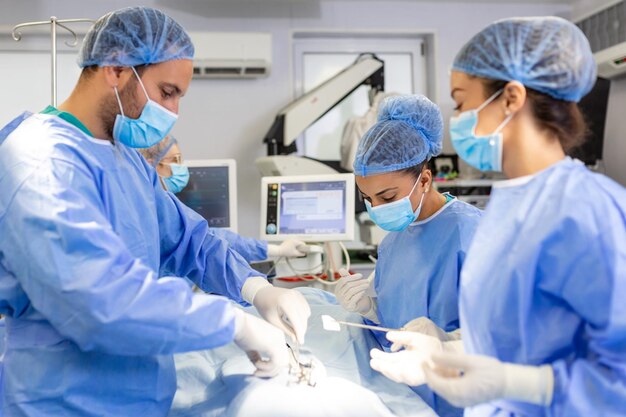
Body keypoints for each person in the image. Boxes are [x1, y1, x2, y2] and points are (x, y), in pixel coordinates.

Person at [0, 7, 312, 416]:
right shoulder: (39, 163)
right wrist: (233, 324)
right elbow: (99, 301)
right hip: (61, 402)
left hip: (138, 398)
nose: (173, 112)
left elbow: (190, 242)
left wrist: (257, 289)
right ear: (115, 69)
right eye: (167, 93)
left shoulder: (126, 159)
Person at [369, 16, 626, 417]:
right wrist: (447, 350)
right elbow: (513, 337)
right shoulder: (511, 207)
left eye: (461, 101)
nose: (457, 119)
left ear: (511, 97)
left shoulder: (586, 212)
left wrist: (516, 384)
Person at [335, 94, 482, 417]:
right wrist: (369, 308)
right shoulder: (393, 242)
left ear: (425, 180)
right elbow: (395, 317)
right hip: (405, 398)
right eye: (368, 198)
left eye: (388, 196)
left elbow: (506, 335)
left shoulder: (471, 234)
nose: (378, 209)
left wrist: (445, 342)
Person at [139, 135, 310, 262]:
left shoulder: (162, 206)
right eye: (176, 159)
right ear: (151, 164)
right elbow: (205, 240)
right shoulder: (149, 213)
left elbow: (210, 237)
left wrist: (275, 250)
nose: (182, 166)